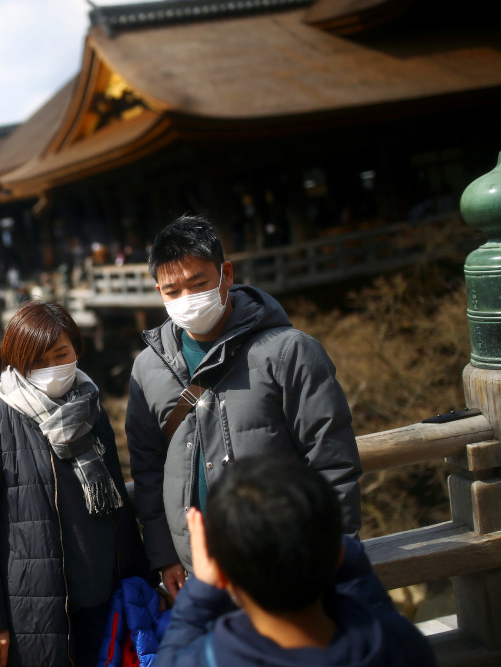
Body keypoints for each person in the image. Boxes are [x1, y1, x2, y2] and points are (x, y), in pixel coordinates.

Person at [127, 215, 362, 596]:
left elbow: (331, 458)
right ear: (159, 292)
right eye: (172, 291)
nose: (186, 298)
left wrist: (338, 551)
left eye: (198, 283)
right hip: (199, 569)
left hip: (288, 561)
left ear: (227, 274)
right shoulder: (146, 368)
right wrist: (163, 556)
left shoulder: (290, 351)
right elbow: (148, 469)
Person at [0, 300, 149, 667]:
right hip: (38, 603)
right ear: (17, 361)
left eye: (61, 354)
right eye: (38, 360)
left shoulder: (92, 409)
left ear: (77, 349)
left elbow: (117, 502)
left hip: (105, 595)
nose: (53, 368)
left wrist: (142, 580)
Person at [154, 456, 435, 666]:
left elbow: (170, 657)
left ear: (222, 578)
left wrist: (202, 589)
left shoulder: (210, 658)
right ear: (338, 553)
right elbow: (372, 601)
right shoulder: (398, 643)